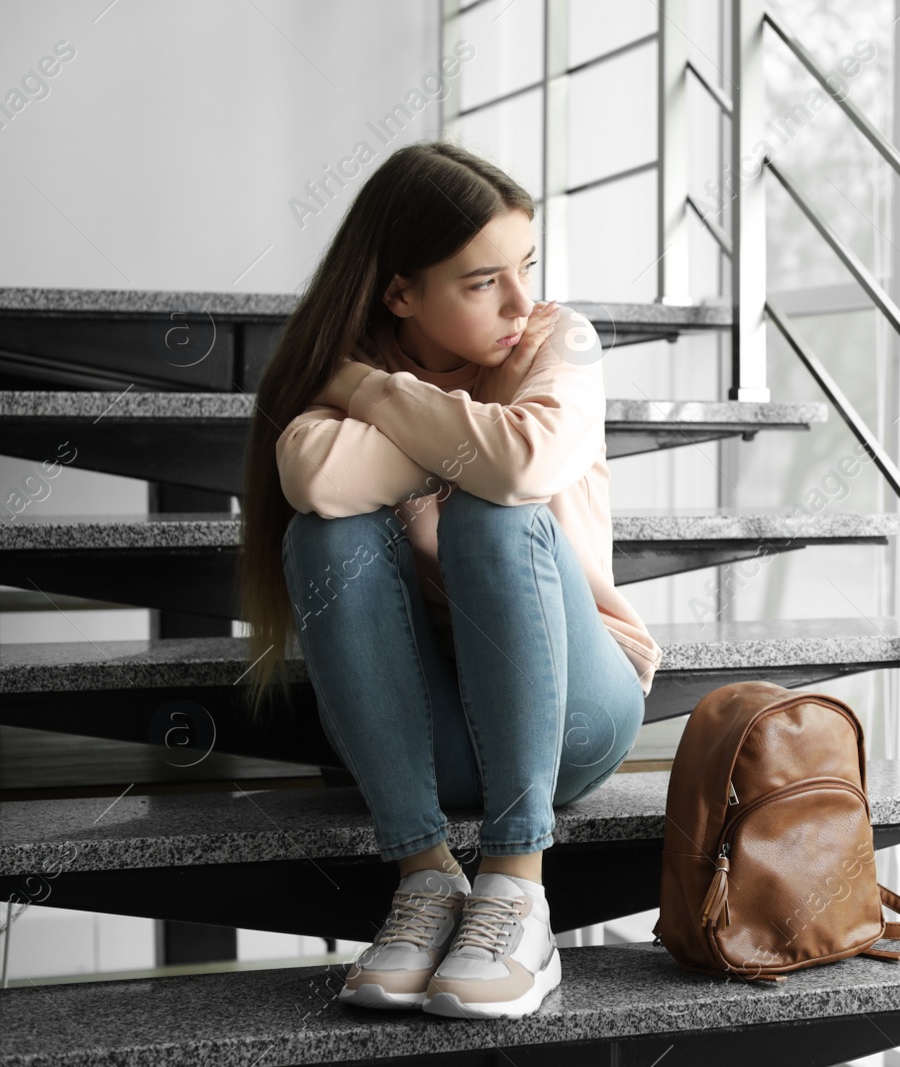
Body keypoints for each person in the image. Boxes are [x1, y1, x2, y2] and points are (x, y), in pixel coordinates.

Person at [235, 140, 661, 1019]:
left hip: (573, 716)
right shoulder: (350, 362)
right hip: (424, 739)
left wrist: (371, 392)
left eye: (527, 266)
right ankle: (425, 876)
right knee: (324, 538)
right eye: (481, 282)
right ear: (399, 292)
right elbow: (315, 478)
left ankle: (516, 889)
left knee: (493, 512)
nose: (522, 301)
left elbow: (522, 462)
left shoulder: (555, 341)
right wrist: (451, 429)